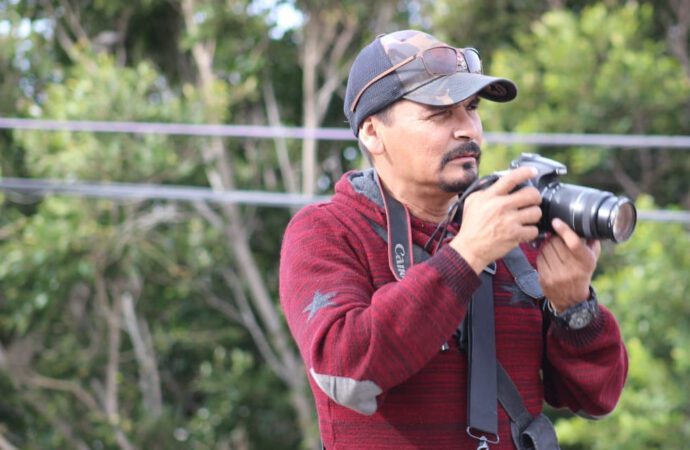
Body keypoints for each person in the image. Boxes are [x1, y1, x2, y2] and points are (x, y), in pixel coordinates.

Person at [279, 29, 627, 449]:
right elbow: (346, 372)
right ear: (372, 132)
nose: (468, 130)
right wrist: (468, 255)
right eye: (439, 113)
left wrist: (574, 307)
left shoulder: (509, 231)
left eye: (472, 108)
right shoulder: (326, 231)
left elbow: (597, 397)